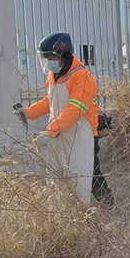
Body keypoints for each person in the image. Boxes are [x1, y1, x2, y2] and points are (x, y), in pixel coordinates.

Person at [15, 32, 99, 203]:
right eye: (44, 59)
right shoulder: (55, 75)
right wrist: (29, 112)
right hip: (60, 133)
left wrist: (49, 132)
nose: (47, 64)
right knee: (59, 178)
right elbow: (50, 101)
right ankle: (62, 214)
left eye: (50, 59)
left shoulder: (82, 77)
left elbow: (74, 111)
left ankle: (95, 211)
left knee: (82, 177)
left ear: (63, 56)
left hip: (81, 135)